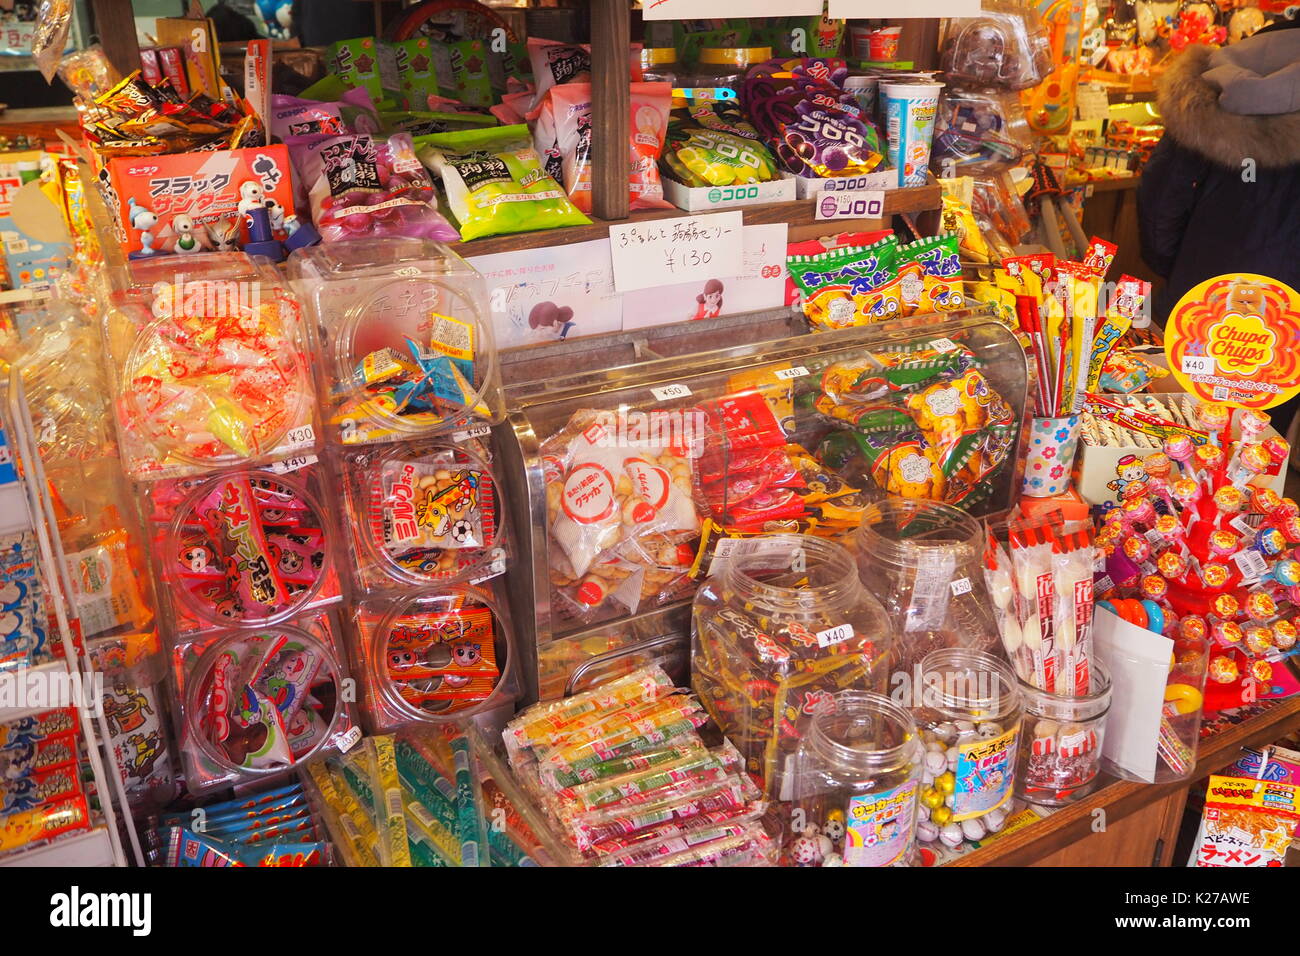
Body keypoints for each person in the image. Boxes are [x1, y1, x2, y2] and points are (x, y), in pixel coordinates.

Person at [1138, 18, 1300, 442]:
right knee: (1261, 435)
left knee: (1178, 423)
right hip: (1292, 312)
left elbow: (1162, 200)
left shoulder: (1203, 87)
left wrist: (1174, 267)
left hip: (1203, 290)